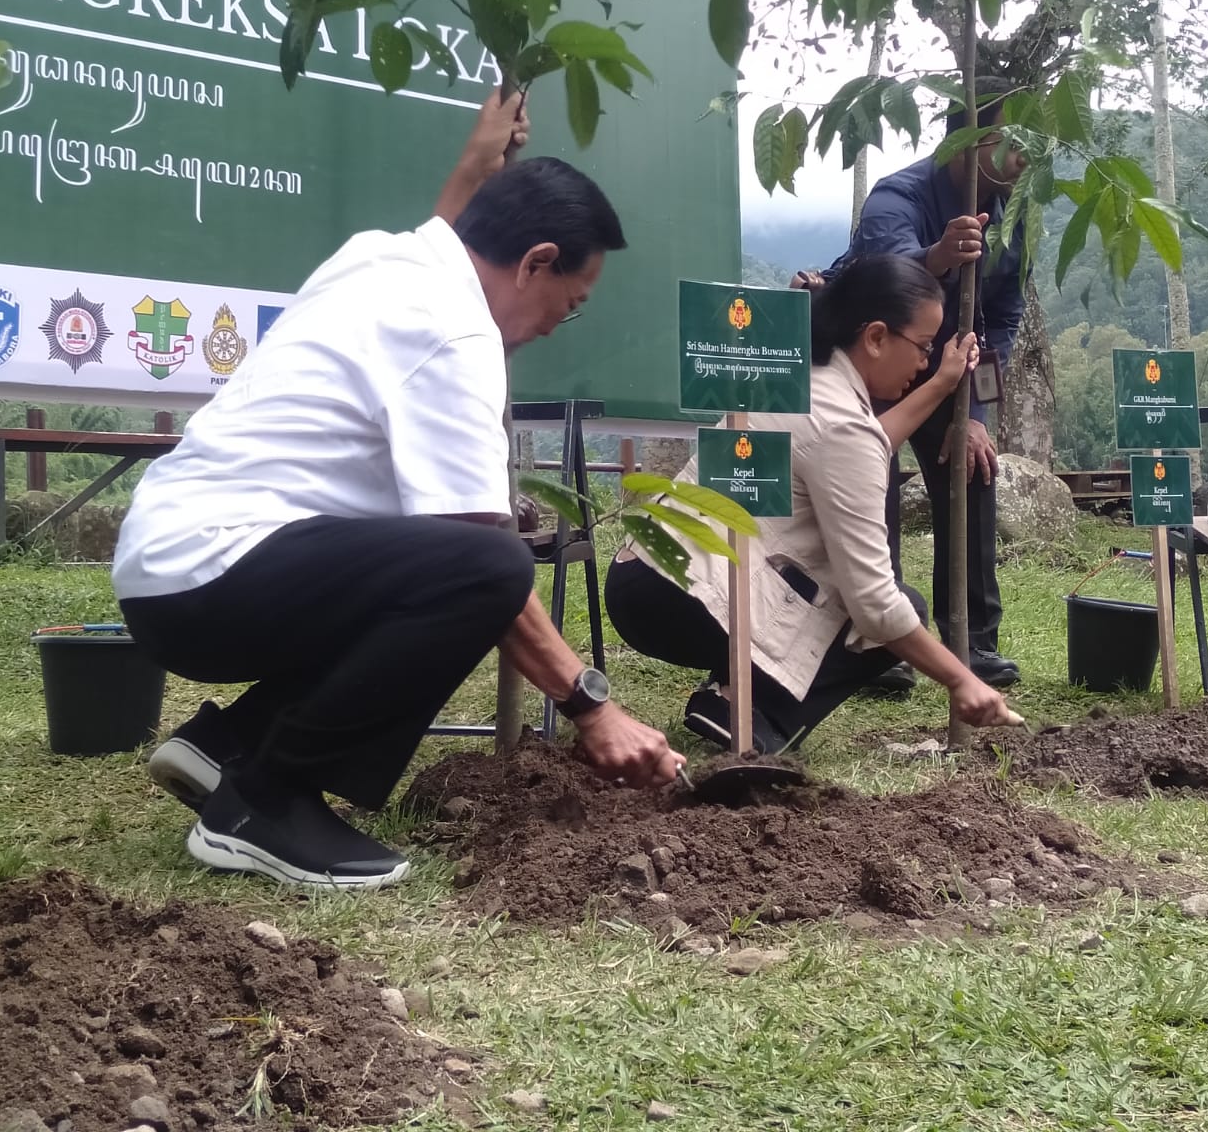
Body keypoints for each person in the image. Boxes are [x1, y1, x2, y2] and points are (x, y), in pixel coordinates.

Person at [113, 90, 685, 891]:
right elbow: (483, 567)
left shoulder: (380, 258)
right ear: (537, 262)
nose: (561, 322)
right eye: (572, 302)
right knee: (487, 569)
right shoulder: (455, 333)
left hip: (171, 568)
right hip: (217, 580)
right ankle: (266, 807)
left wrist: (473, 166)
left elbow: (447, 233)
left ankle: (231, 750)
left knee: (425, 563)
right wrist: (594, 706)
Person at [605, 254, 1018, 754]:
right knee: (900, 609)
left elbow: (860, 446)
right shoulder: (842, 423)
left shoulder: (800, 379)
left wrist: (941, 384)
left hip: (644, 576)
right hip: (689, 600)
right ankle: (756, 712)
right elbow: (875, 606)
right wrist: (961, 680)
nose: (925, 361)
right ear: (876, 337)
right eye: (923, 347)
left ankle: (732, 698)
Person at [827, 76, 1029, 691]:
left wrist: (975, 412)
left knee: (974, 471)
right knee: (868, 489)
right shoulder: (898, 197)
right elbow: (878, 279)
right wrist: (937, 259)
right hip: (876, 363)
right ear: (966, 145)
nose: (1022, 159)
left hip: (952, 370)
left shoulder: (1011, 217)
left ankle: (971, 640)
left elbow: (1004, 314)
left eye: (1029, 145)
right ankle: (873, 646)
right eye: (1009, 143)